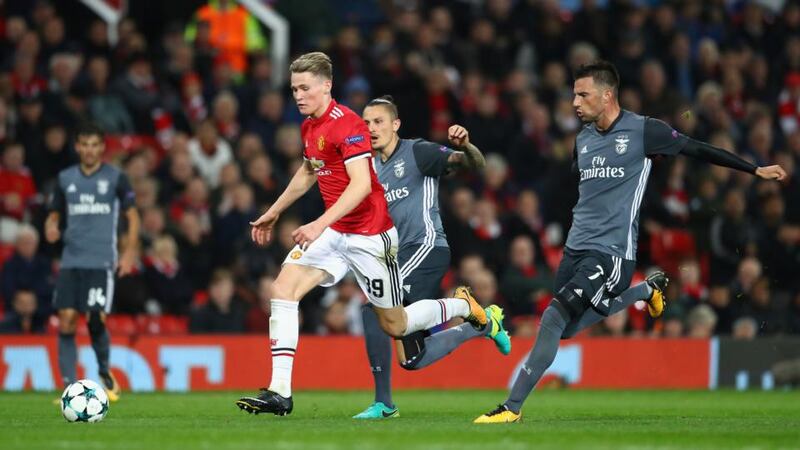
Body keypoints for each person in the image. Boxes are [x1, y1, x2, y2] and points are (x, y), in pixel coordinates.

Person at [474, 60, 787, 423]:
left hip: (611, 253)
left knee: (553, 316)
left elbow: (696, 148)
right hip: (575, 248)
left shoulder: (643, 131)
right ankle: (643, 292)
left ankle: (511, 408)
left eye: (582, 94)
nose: (574, 102)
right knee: (567, 328)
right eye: (574, 94)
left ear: (607, 96)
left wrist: (754, 169)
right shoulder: (583, 139)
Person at [235, 52, 491, 416]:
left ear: (327, 86)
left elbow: (358, 187)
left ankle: (463, 306)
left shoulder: (350, 125)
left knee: (395, 323)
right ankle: (280, 391)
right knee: (282, 289)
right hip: (336, 232)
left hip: (370, 237)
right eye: (294, 88)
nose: (298, 95)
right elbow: (309, 171)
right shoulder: (309, 126)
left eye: (305, 87)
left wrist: (318, 223)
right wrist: (274, 212)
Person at [352, 95, 510, 420]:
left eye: (379, 121)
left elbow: (475, 165)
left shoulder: (418, 151)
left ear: (395, 124)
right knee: (412, 358)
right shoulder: (368, 168)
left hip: (426, 247)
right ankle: (482, 325)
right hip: (396, 257)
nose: (371, 128)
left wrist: (466, 146)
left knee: (373, 310)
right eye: (366, 123)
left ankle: (384, 404)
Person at [45, 122, 140, 402]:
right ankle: (67, 387)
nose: (89, 150)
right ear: (77, 147)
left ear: (102, 147)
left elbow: (132, 216)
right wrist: (51, 226)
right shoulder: (65, 179)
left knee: (95, 320)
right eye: (84, 144)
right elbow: (54, 213)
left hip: (101, 262)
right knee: (66, 321)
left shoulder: (115, 178)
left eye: (94, 145)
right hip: (71, 261)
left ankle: (105, 375)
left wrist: (129, 253)